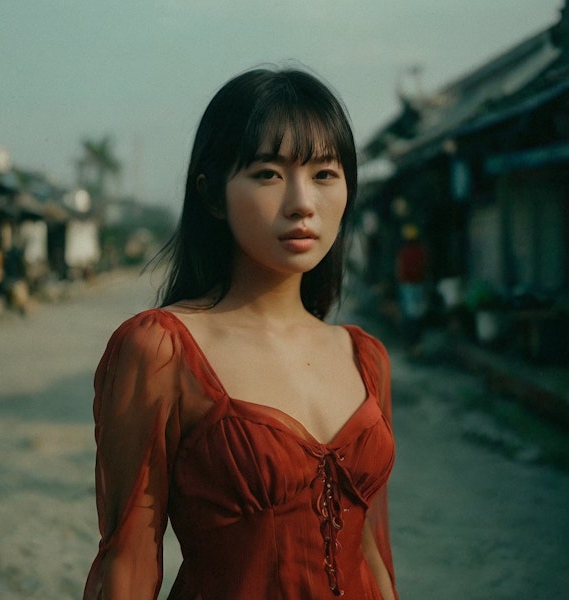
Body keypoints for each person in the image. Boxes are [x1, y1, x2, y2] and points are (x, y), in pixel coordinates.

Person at [84, 66, 398, 600]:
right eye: (268, 174)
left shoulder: (364, 356)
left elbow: (372, 549)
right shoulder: (162, 350)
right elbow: (128, 563)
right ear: (212, 196)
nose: (302, 202)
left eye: (325, 174)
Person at [396, 223, 429, 355]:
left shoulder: (403, 252)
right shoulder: (421, 251)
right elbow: (426, 268)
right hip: (418, 285)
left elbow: (399, 270)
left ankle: (410, 343)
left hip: (407, 286)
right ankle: (416, 343)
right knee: (418, 314)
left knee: (409, 314)